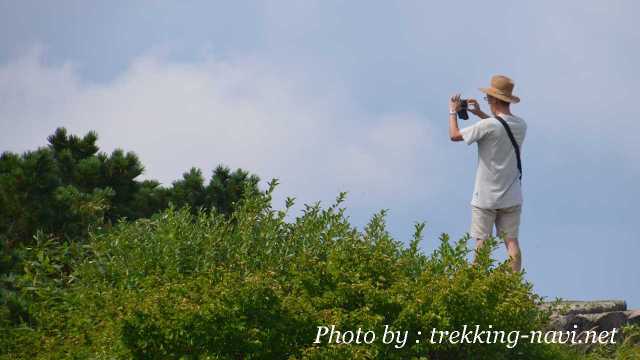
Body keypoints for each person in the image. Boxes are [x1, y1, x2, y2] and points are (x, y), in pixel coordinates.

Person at [447, 75, 527, 272]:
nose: (488, 101)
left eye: (488, 99)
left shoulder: (487, 125)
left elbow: (454, 136)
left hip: (485, 196)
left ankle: (476, 286)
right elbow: (499, 128)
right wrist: (481, 113)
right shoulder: (520, 125)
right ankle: (514, 286)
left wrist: (452, 112)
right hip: (511, 194)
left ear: (495, 100)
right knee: (511, 242)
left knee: (481, 242)